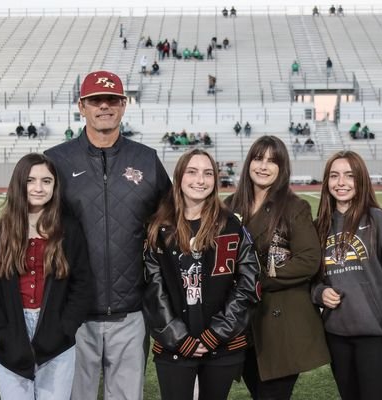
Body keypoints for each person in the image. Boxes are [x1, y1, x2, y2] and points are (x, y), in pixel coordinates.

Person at [45, 70, 172, 399]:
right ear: (81, 106)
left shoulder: (146, 159)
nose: (104, 106)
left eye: (112, 99)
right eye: (95, 100)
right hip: (73, 313)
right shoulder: (56, 161)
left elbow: (171, 222)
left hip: (131, 313)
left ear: (124, 105)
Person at [143, 148, 260, 400]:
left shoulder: (231, 224)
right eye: (192, 172)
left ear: (215, 181)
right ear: (179, 177)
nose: (200, 180)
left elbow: (248, 283)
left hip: (223, 345)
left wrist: (216, 333)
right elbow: (153, 288)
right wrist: (179, 337)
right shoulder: (158, 227)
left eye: (208, 173)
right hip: (174, 346)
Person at [226, 136, 330, 400]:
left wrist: (257, 280)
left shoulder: (295, 206)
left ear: (282, 168)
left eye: (272, 161)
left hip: (281, 324)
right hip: (242, 322)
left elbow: (308, 260)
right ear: (249, 162)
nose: (263, 166)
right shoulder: (228, 207)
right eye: (258, 158)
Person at [0, 153, 91, 400]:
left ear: (55, 186)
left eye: (46, 181)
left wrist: (65, 328)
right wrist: (1, 335)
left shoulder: (68, 230)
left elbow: (83, 285)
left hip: (56, 335)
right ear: (19, 184)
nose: (38, 188)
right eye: (31, 180)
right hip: (12, 332)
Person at [312, 150, 382, 400]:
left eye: (349, 176)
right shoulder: (319, 227)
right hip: (337, 334)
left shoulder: (379, 220)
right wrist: (319, 293)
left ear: (361, 180)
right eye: (334, 176)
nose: (341, 183)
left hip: (377, 335)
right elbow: (309, 279)